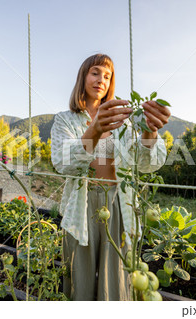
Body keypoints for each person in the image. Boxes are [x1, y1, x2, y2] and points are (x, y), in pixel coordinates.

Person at [50, 53, 170, 301]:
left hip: (117, 203)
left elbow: (146, 165)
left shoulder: (124, 122)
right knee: (78, 277)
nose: (101, 80)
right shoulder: (66, 120)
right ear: (83, 76)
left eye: (107, 76)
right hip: (81, 205)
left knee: (115, 280)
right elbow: (62, 162)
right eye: (95, 72)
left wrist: (150, 132)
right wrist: (94, 129)